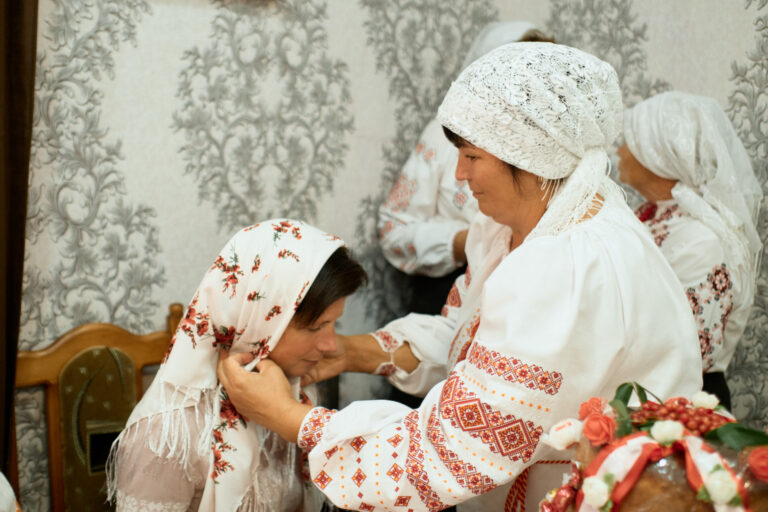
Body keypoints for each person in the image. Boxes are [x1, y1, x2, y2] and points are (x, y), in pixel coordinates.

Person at [218, 44, 703, 511]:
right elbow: (465, 341)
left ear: (533, 158)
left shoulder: (563, 268)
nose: (459, 175)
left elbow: (452, 448)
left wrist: (290, 418)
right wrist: (351, 352)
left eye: (472, 157)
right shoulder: (509, 229)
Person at [107, 220, 366, 511]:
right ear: (260, 321)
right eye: (316, 327)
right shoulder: (166, 437)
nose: (331, 345)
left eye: (334, 324)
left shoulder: (297, 393)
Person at [378, 21, 553, 314]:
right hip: (447, 292)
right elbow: (393, 230)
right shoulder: (443, 136)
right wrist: (467, 241)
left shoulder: (552, 149)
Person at [618, 91, 763, 409]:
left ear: (656, 154)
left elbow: (685, 347)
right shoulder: (653, 214)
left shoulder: (702, 238)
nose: (620, 149)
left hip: (683, 408)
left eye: (630, 139)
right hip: (643, 396)